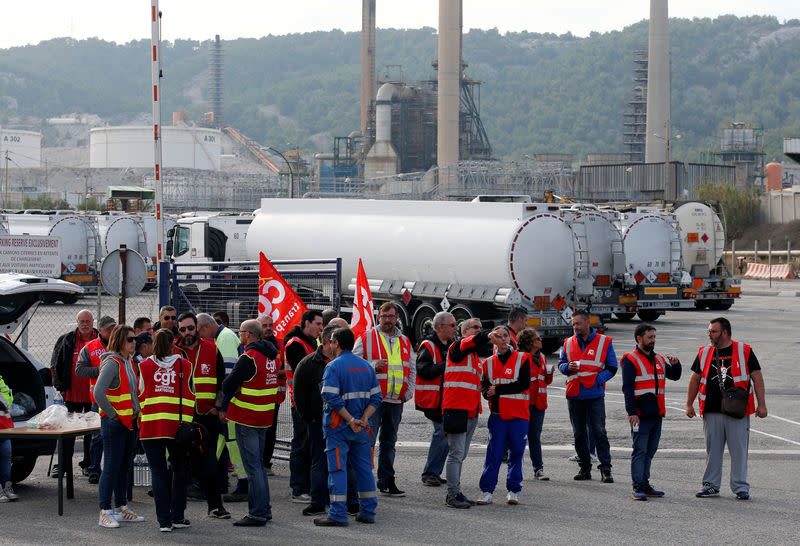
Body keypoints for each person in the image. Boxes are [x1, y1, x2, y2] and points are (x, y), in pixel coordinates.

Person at [686, 317, 767, 500]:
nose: (709, 334)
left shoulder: (744, 350)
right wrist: (689, 403)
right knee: (712, 450)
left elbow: (757, 377)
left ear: (724, 332)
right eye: (709, 331)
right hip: (712, 410)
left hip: (737, 410)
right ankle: (710, 485)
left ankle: (740, 487)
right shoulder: (704, 352)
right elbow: (695, 378)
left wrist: (761, 404)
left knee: (738, 450)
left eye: (713, 331)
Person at [314, 327, 382, 527]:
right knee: (364, 470)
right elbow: (376, 397)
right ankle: (368, 512)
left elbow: (330, 396)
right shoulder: (366, 366)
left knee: (337, 470)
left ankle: (337, 514)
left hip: (338, 428)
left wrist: (351, 420)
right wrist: (362, 419)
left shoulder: (334, 367)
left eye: (331, 341)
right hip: (361, 429)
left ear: (336, 343)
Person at [353, 301, 416, 497]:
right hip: (373, 401)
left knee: (389, 443)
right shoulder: (367, 337)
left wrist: (409, 392)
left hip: (396, 401)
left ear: (397, 318)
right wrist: (372, 365)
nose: (388, 320)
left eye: (391, 316)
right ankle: (362, 481)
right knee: (367, 442)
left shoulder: (405, 340)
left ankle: (387, 481)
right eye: (384, 316)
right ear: (378, 317)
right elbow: (353, 364)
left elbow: (412, 368)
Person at [221, 319, 280, 527]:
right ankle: (265, 509)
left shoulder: (248, 357)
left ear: (248, 335)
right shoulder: (272, 356)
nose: (239, 335)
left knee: (252, 467)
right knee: (259, 468)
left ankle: (257, 513)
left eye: (241, 332)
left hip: (247, 417)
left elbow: (228, 386)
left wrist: (238, 388)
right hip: (264, 417)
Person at [138, 329, 195, 532]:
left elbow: (139, 395)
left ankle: (164, 521)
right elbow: (192, 395)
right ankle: (177, 516)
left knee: (158, 473)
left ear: (154, 344)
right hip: (178, 429)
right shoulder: (185, 365)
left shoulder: (144, 366)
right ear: (173, 345)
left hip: (151, 426)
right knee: (179, 472)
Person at [174, 312, 230, 519]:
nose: (187, 333)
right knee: (179, 465)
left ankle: (216, 506)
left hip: (206, 416)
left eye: (190, 328)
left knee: (209, 464)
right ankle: (177, 514)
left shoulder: (211, 348)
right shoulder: (173, 350)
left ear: (197, 327)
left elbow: (221, 380)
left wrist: (217, 405)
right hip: (180, 417)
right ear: (178, 331)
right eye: (183, 329)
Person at [620, 324, 681, 501]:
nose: (653, 340)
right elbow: (627, 388)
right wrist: (632, 412)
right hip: (640, 415)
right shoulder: (630, 360)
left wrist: (676, 366)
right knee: (640, 450)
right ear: (639, 338)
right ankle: (637, 486)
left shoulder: (660, 359)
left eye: (654, 337)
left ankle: (645, 484)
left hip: (657, 413)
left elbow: (674, 376)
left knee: (650, 450)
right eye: (650, 337)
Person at [93, 325, 145, 528]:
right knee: (112, 468)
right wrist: (113, 415)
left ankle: (121, 508)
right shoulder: (113, 363)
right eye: (130, 339)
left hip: (128, 422)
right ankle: (105, 511)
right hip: (115, 423)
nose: (135, 342)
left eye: (135, 339)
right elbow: (98, 392)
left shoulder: (128, 361)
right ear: (120, 341)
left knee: (123, 467)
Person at [559, 309, 618, 483]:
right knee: (579, 434)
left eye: (578, 323)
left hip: (594, 394)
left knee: (599, 432)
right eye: (573, 324)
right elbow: (561, 364)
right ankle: (585, 467)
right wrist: (566, 367)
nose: (575, 327)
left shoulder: (604, 342)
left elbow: (612, 367)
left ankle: (605, 469)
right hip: (575, 394)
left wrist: (598, 380)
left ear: (587, 322)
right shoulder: (568, 342)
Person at [476, 326, 531, 506]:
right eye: (498, 336)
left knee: (517, 452)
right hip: (498, 415)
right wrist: (487, 393)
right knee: (494, 454)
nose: (502, 339)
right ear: (493, 340)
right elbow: (484, 387)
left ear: (510, 338)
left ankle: (513, 490)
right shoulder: (487, 363)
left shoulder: (523, 359)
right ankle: (487, 491)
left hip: (518, 414)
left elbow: (523, 384)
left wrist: (497, 390)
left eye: (505, 336)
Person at [293, 324, 338, 516]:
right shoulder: (308, 363)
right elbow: (299, 394)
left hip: (341, 422)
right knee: (319, 461)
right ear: (329, 342)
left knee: (342, 462)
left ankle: (343, 500)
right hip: (317, 422)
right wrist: (309, 418)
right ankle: (318, 500)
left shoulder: (343, 362)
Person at [441, 317, 486, 509]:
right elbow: (473, 342)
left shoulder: (475, 358)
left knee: (461, 454)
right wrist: (486, 335)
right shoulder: (457, 347)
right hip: (456, 409)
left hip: (470, 411)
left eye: (480, 327)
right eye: (475, 327)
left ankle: (456, 492)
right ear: (465, 332)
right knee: (456, 454)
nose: (478, 330)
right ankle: (452, 495)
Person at [50, 309, 99, 479]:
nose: (85, 324)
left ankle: (89, 464)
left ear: (93, 322)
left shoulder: (101, 339)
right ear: (77, 322)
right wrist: (60, 387)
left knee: (91, 432)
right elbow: (56, 364)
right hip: (71, 395)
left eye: (88, 321)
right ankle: (63, 466)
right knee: (68, 432)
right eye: (82, 321)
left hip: (94, 395)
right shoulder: (66, 340)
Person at [283, 309, 323, 503]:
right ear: (307, 323)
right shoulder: (295, 345)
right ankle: (298, 488)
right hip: (299, 403)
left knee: (308, 445)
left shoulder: (309, 342)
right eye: (318, 324)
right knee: (301, 445)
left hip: (310, 403)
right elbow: (307, 374)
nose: (321, 328)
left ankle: (305, 485)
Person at [416, 311, 457, 487]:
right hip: (433, 400)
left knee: (445, 434)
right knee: (441, 433)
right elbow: (423, 371)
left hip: (447, 399)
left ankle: (434, 472)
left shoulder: (451, 344)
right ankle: (430, 473)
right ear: (440, 327)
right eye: (452, 325)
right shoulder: (429, 345)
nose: (456, 328)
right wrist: (446, 364)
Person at [518, 328, 553, 481]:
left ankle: (538, 469)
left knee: (535, 437)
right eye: (537, 338)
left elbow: (545, 381)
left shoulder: (542, 357)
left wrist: (549, 374)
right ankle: (516, 469)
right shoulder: (520, 358)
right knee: (519, 437)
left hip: (539, 404)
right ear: (529, 342)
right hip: (524, 403)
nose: (541, 340)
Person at [0, 373, 19, 502]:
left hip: (4, 426)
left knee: (6, 454)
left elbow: (7, 401)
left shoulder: (0, 379)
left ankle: (6, 485)